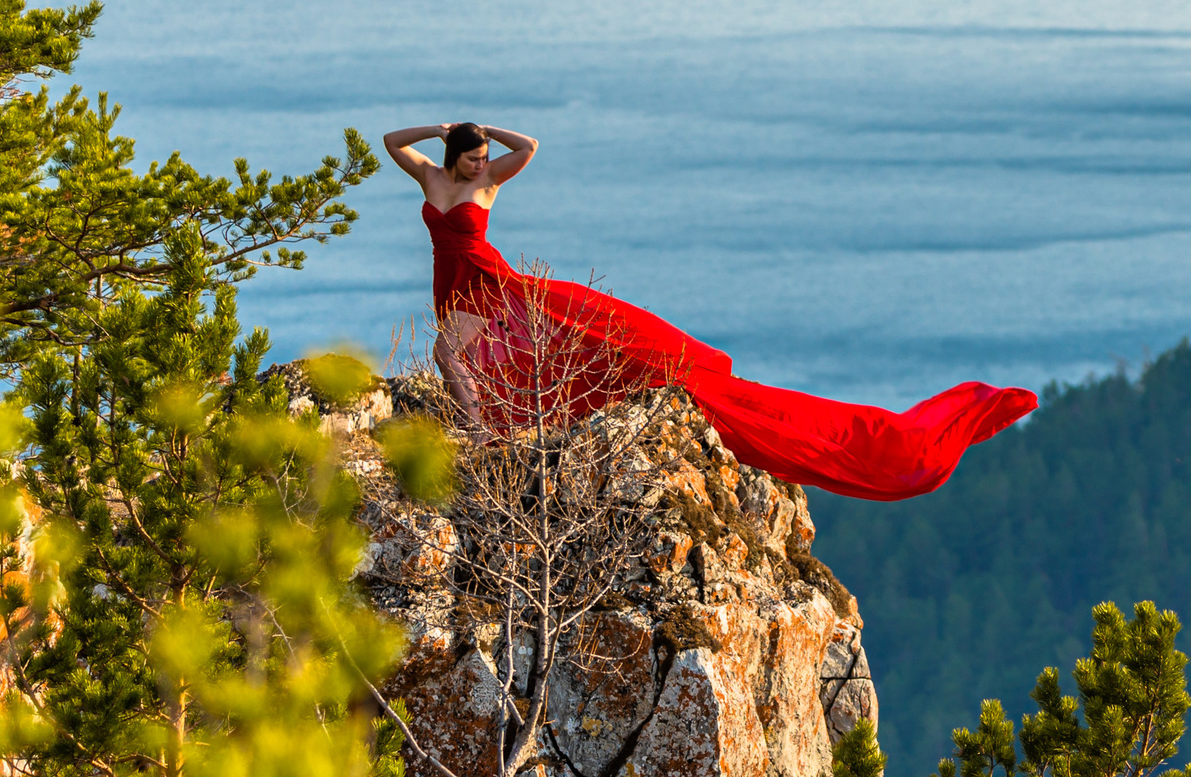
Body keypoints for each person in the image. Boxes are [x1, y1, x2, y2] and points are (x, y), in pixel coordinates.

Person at [381, 121, 1035, 501]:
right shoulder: (434, 178)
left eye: (481, 157)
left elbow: (528, 146)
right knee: (463, 353)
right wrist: (439, 129)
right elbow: (390, 140)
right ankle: (484, 420)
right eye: (471, 158)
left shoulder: (488, 181)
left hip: (487, 280)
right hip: (451, 278)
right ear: (451, 159)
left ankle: (479, 428)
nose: (482, 164)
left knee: (450, 352)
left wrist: (485, 131)